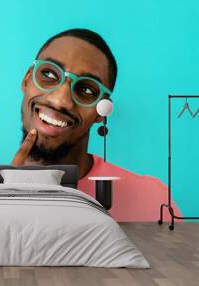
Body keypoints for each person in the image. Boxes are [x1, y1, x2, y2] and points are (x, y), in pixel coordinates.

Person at [11, 28, 180, 221]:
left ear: (103, 110)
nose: (60, 101)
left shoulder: (152, 201)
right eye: (49, 74)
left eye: (87, 90)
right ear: (26, 79)